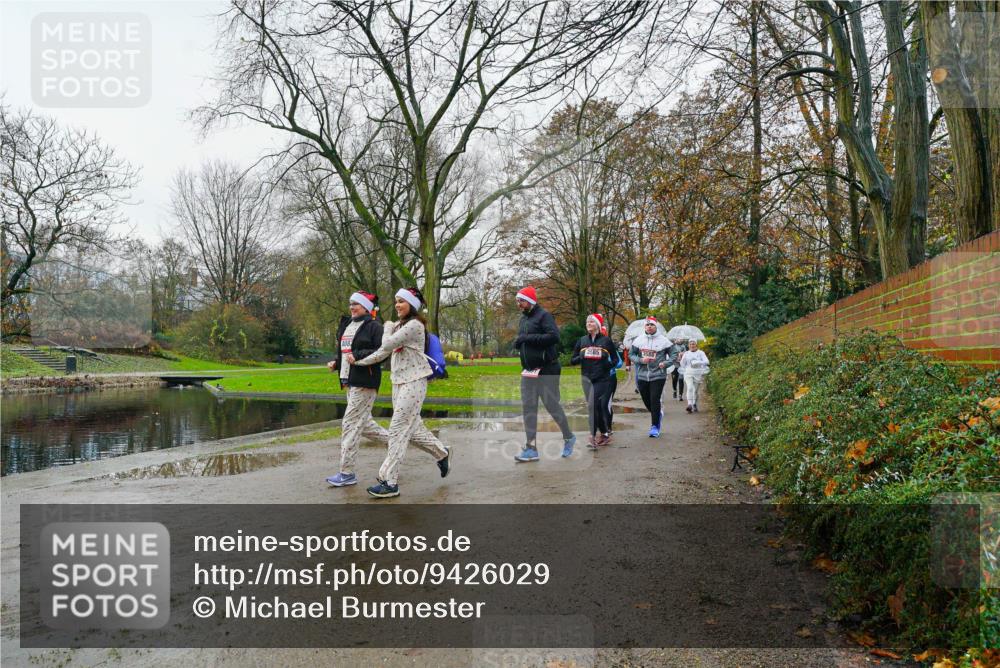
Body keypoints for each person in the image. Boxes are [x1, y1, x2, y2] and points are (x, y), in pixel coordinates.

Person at [352, 287, 451, 498]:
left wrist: (386, 326)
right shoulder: (398, 326)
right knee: (413, 431)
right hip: (398, 383)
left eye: (401, 301)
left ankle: (390, 481)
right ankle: (441, 453)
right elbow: (382, 352)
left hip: (414, 382)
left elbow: (386, 342)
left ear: (412, 305)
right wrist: (360, 362)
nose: (397, 305)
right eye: (396, 301)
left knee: (397, 429)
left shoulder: (414, 325)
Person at [325, 291, 391, 487]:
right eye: (350, 303)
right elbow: (346, 352)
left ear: (366, 307)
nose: (352, 307)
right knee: (366, 427)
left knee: (350, 425)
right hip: (349, 380)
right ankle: (400, 443)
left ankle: (347, 473)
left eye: (356, 304)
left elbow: (382, 351)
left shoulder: (374, 327)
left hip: (365, 381)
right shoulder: (347, 325)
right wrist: (337, 363)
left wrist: (358, 354)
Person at [513, 286, 577, 461]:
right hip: (529, 371)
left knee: (551, 405)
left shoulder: (544, 316)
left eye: (521, 301)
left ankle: (569, 437)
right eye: (517, 301)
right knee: (528, 407)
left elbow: (554, 337)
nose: (519, 304)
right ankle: (531, 448)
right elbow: (525, 339)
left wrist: (527, 339)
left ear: (531, 301)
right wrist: (518, 343)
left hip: (548, 368)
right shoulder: (523, 319)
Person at [571, 313, 618, 448]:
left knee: (592, 406)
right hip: (586, 378)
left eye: (591, 322)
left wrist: (605, 362)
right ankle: (604, 433)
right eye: (587, 322)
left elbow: (615, 360)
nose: (588, 324)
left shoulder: (606, 341)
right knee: (595, 407)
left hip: (602, 379)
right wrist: (581, 356)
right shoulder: (582, 341)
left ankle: (592, 436)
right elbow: (572, 360)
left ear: (597, 325)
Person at [629, 316, 672, 438]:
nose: (649, 327)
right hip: (642, 375)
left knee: (654, 399)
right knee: (647, 400)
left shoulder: (664, 341)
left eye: (652, 325)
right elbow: (631, 355)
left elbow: (673, 355)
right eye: (647, 325)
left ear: (656, 326)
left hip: (658, 375)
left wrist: (666, 363)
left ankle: (655, 426)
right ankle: (657, 414)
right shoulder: (638, 340)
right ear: (644, 327)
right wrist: (641, 360)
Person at [679, 339, 710, 413]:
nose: (692, 346)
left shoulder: (701, 353)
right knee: (689, 388)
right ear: (688, 345)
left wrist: (698, 362)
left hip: (698, 373)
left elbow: (707, 362)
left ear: (696, 345)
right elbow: (682, 364)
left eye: (693, 344)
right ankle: (689, 405)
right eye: (690, 344)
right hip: (688, 372)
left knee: (695, 391)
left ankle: (694, 404)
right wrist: (681, 358)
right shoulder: (686, 353)